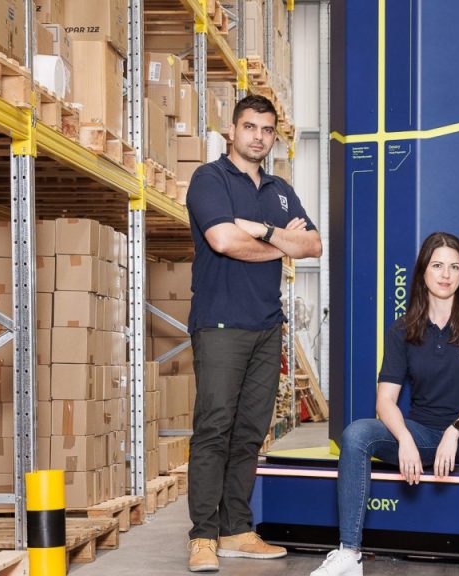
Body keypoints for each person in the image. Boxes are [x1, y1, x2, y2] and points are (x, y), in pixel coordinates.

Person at [311, 232, 459, 576]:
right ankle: (349, 553)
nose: (446, 275)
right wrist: (404, 438)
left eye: (454, 267)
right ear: (422, 273)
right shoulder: (403, 329)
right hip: (424, 433)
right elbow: (385, 401)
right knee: (357, 434)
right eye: (437, 266)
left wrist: (455, 430)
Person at [184, 94, 323, 572]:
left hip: (267, 327)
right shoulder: (210, 179)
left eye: (266, 130)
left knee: (249, 434)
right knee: (214, 430)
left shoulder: (281, 190)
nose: (258, 137)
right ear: (233, 130)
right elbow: (221, 240)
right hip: (220, 323)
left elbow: (314, 245)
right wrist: (284, 242)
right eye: (250, 127)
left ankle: (237, 529)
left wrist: (262, 232)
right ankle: (203, 535)